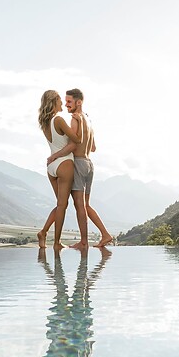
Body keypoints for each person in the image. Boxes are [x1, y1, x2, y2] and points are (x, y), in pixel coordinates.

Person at [46, 88, 113, 250]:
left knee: (79, 205)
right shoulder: (88, 120)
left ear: (79, 102)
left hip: (79, 164)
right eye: (65, 101)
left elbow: (72, 145)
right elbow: (94, 147)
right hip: (89, 164)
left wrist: (55, 156)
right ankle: (105, 234)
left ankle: (83, 242)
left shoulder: (75, 120)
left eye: (69, 102)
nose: (67, 105)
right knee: (86, 205)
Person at [37, 90, 83, 254]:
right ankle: (56, 243)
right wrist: (79, 122)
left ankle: (43, 232)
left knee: (59, 205)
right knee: (62, 206)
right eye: (59, 100)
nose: (62, 104)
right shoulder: (59, 119)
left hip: (52, 167)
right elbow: (77, 140)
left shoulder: (45, 122)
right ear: (54, 101)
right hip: (64, 164)